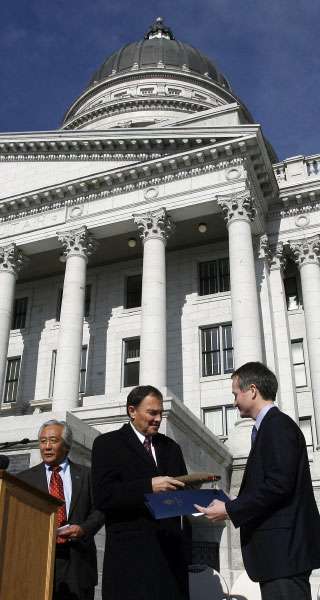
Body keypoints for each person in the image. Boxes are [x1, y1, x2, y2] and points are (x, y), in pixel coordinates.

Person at [195, 361, 320, 600]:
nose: (233, 402)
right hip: (278, 557)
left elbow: (278, 485)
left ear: (252, 390)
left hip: (285, 555)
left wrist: (230, 508)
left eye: (235, 394)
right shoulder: (268, 428)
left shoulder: (277, 426)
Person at [91, 384, 190, 600]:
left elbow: (181, 496)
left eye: (160, 414)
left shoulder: (171, 448)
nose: (157, 419)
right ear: (132, 411)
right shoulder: (107, 444)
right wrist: (148, 487)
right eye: (151, 413)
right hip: (130, 559)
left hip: (170, 558)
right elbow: (103, 496)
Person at [18, 419, 105, 600]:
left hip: (78, 562)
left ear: (66, 445)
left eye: (53, 441)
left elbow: (100, 510)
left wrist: (83, 529)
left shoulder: (87, 475)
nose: (47, 447)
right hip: (38, 562)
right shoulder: (24, 479)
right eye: (43, 441)